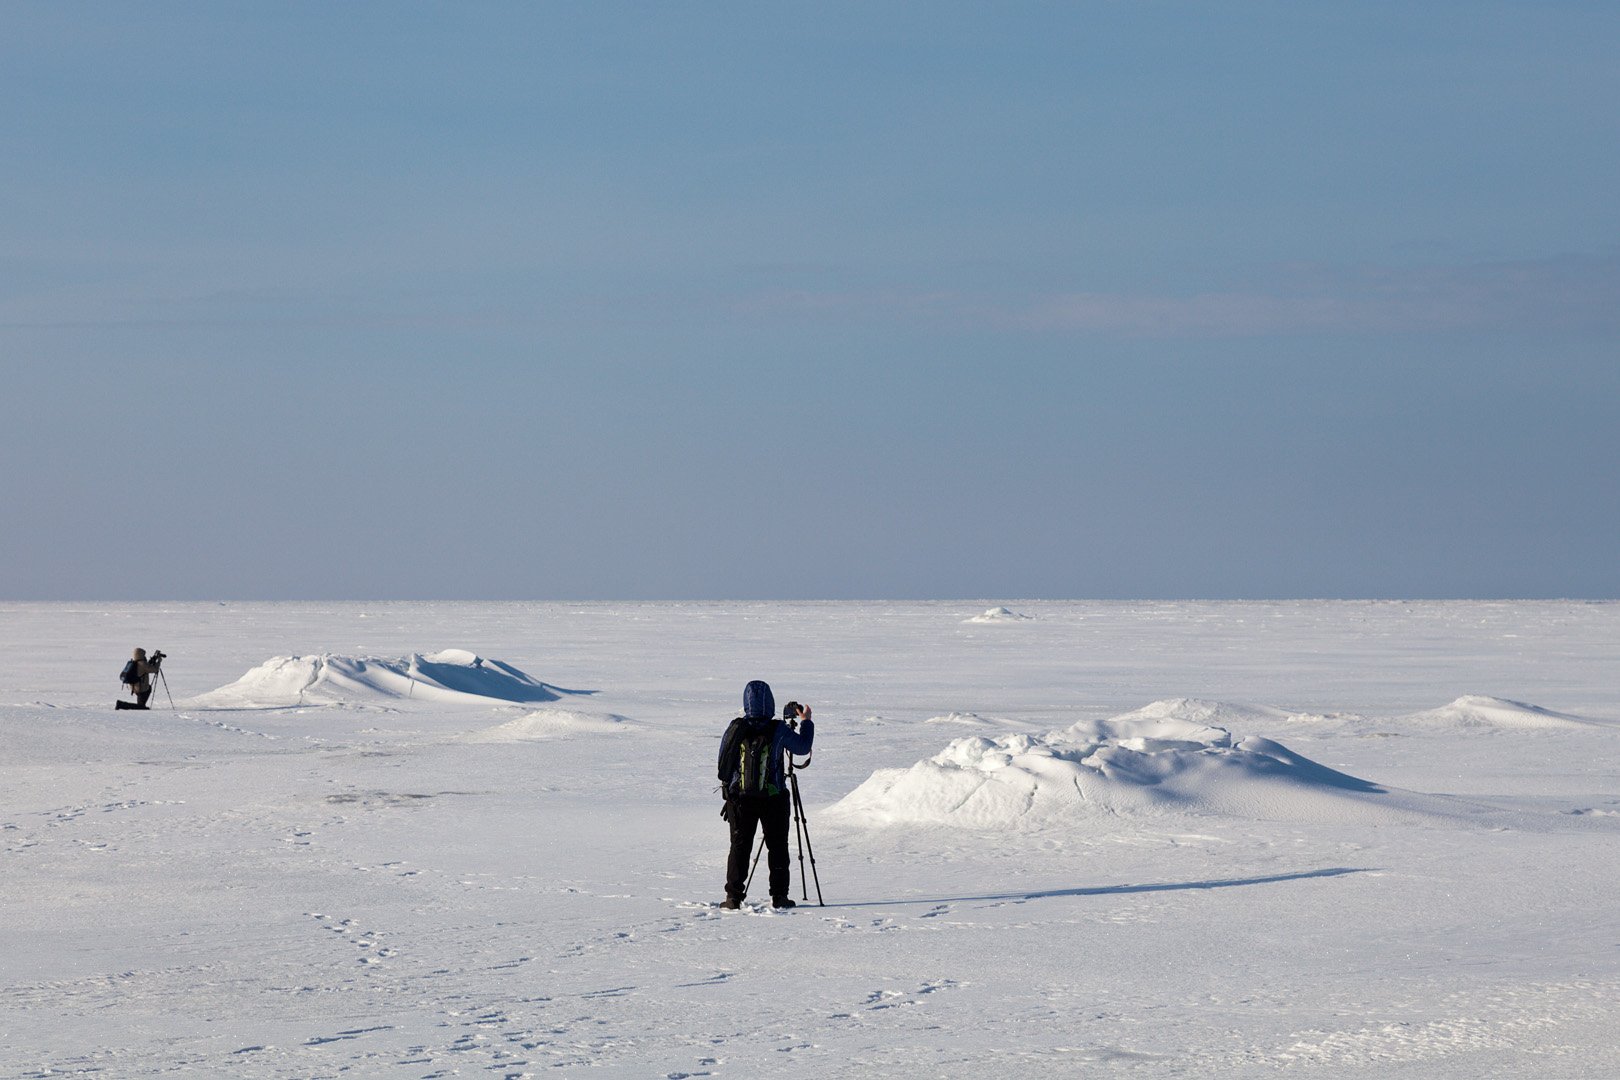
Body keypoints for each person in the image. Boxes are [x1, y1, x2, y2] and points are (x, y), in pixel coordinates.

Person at [717, 679, 813, 909]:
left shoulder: (736, 728)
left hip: (740, 799)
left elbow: (723, 762)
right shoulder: (778, 729)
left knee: (739, 847)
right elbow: (802, 747)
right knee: (778, 846)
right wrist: (805, 722)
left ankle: (733, 898)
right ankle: (779, 896)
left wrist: (728, 793)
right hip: (774, 798)